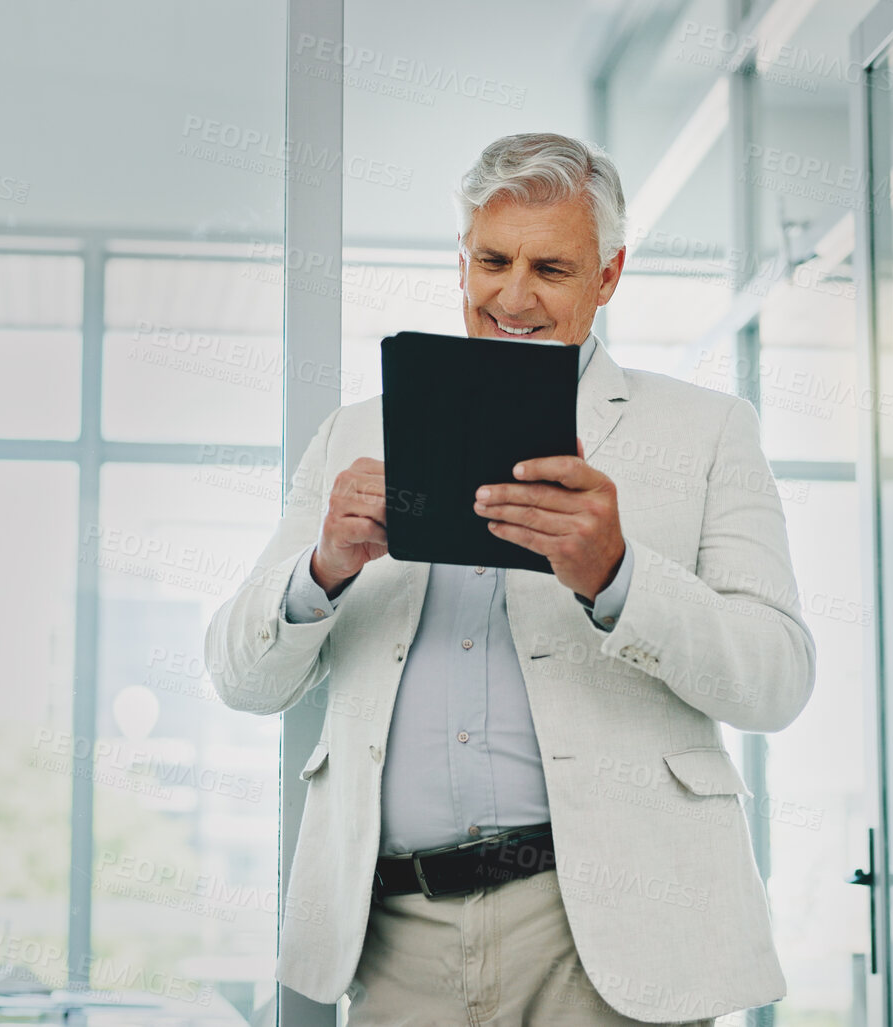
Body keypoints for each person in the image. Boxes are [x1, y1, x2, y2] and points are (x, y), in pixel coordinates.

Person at [205, 132, 815, 1025]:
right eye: (491, 259)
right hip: (394, 936)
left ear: (607, 276)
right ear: (460, 261)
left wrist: (619, 577)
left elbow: (776, 678)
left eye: (552, 268)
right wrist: (323, 566)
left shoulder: (706, 430)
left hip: (608, 932)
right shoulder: (351, 436)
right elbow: (238, 675)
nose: (513, 296)